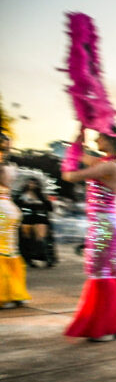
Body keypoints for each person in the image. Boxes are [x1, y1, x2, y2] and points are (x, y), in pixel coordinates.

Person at [62, 126, 116, 341]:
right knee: (112, 272)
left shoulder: (108, 166)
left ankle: (104, 327)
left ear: (108, 140)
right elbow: (80, 156)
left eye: (99, 137)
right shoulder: (110, 164)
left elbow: (70, 175)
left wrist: (72, 157)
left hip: (103, 225)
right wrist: (78, 139)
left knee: (99, 272)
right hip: (110, 223)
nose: (96, 141)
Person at [1, 130, 31, 308]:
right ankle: (15, 292)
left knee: (2, 251)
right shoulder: (9, 166)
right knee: (10, 250)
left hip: (2, 210)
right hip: (9, 208)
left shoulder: (4, 167)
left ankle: (5, 293)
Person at [16, 176, 57, 268]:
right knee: (27, 240)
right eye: (30, 182)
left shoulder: (41, 196)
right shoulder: (21, 195)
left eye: (34, 183)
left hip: (40, 219)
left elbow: (49, 208)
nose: (32, 185)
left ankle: (48, 258)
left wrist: (46, 201)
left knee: (42, 239)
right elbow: (17, 206)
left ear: (37, 185)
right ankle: (29, 259)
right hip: (27, 219)